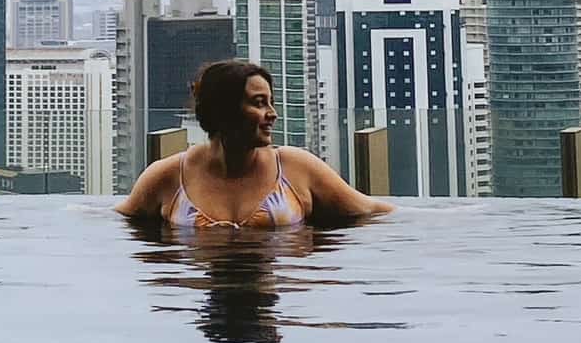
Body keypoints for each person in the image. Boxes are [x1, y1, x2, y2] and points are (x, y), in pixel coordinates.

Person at [116, 59, 391, 228]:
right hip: (200, 305)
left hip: (278, 302)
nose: (272, 114)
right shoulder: (167, 176)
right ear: (224, 110)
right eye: (259, 103)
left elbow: (371, 210)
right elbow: (119, 223)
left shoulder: (296, 167)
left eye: (270, 102)